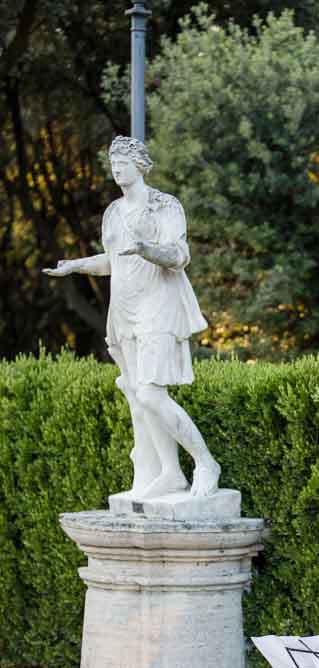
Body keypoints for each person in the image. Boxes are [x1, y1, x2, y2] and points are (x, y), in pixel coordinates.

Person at [44, 136, 220, 501]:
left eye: (122, 161)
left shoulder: (164, 206)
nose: (116, 167)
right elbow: (115, 260)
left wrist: (146, 248)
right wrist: (76, 266)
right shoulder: (113, 212)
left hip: (158, 304)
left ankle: (205, 462)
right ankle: (170, 474)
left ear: (140, 164)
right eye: (112, 162)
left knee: (152, 394)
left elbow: (178, 255)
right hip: (124, 310)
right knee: (140, 397)